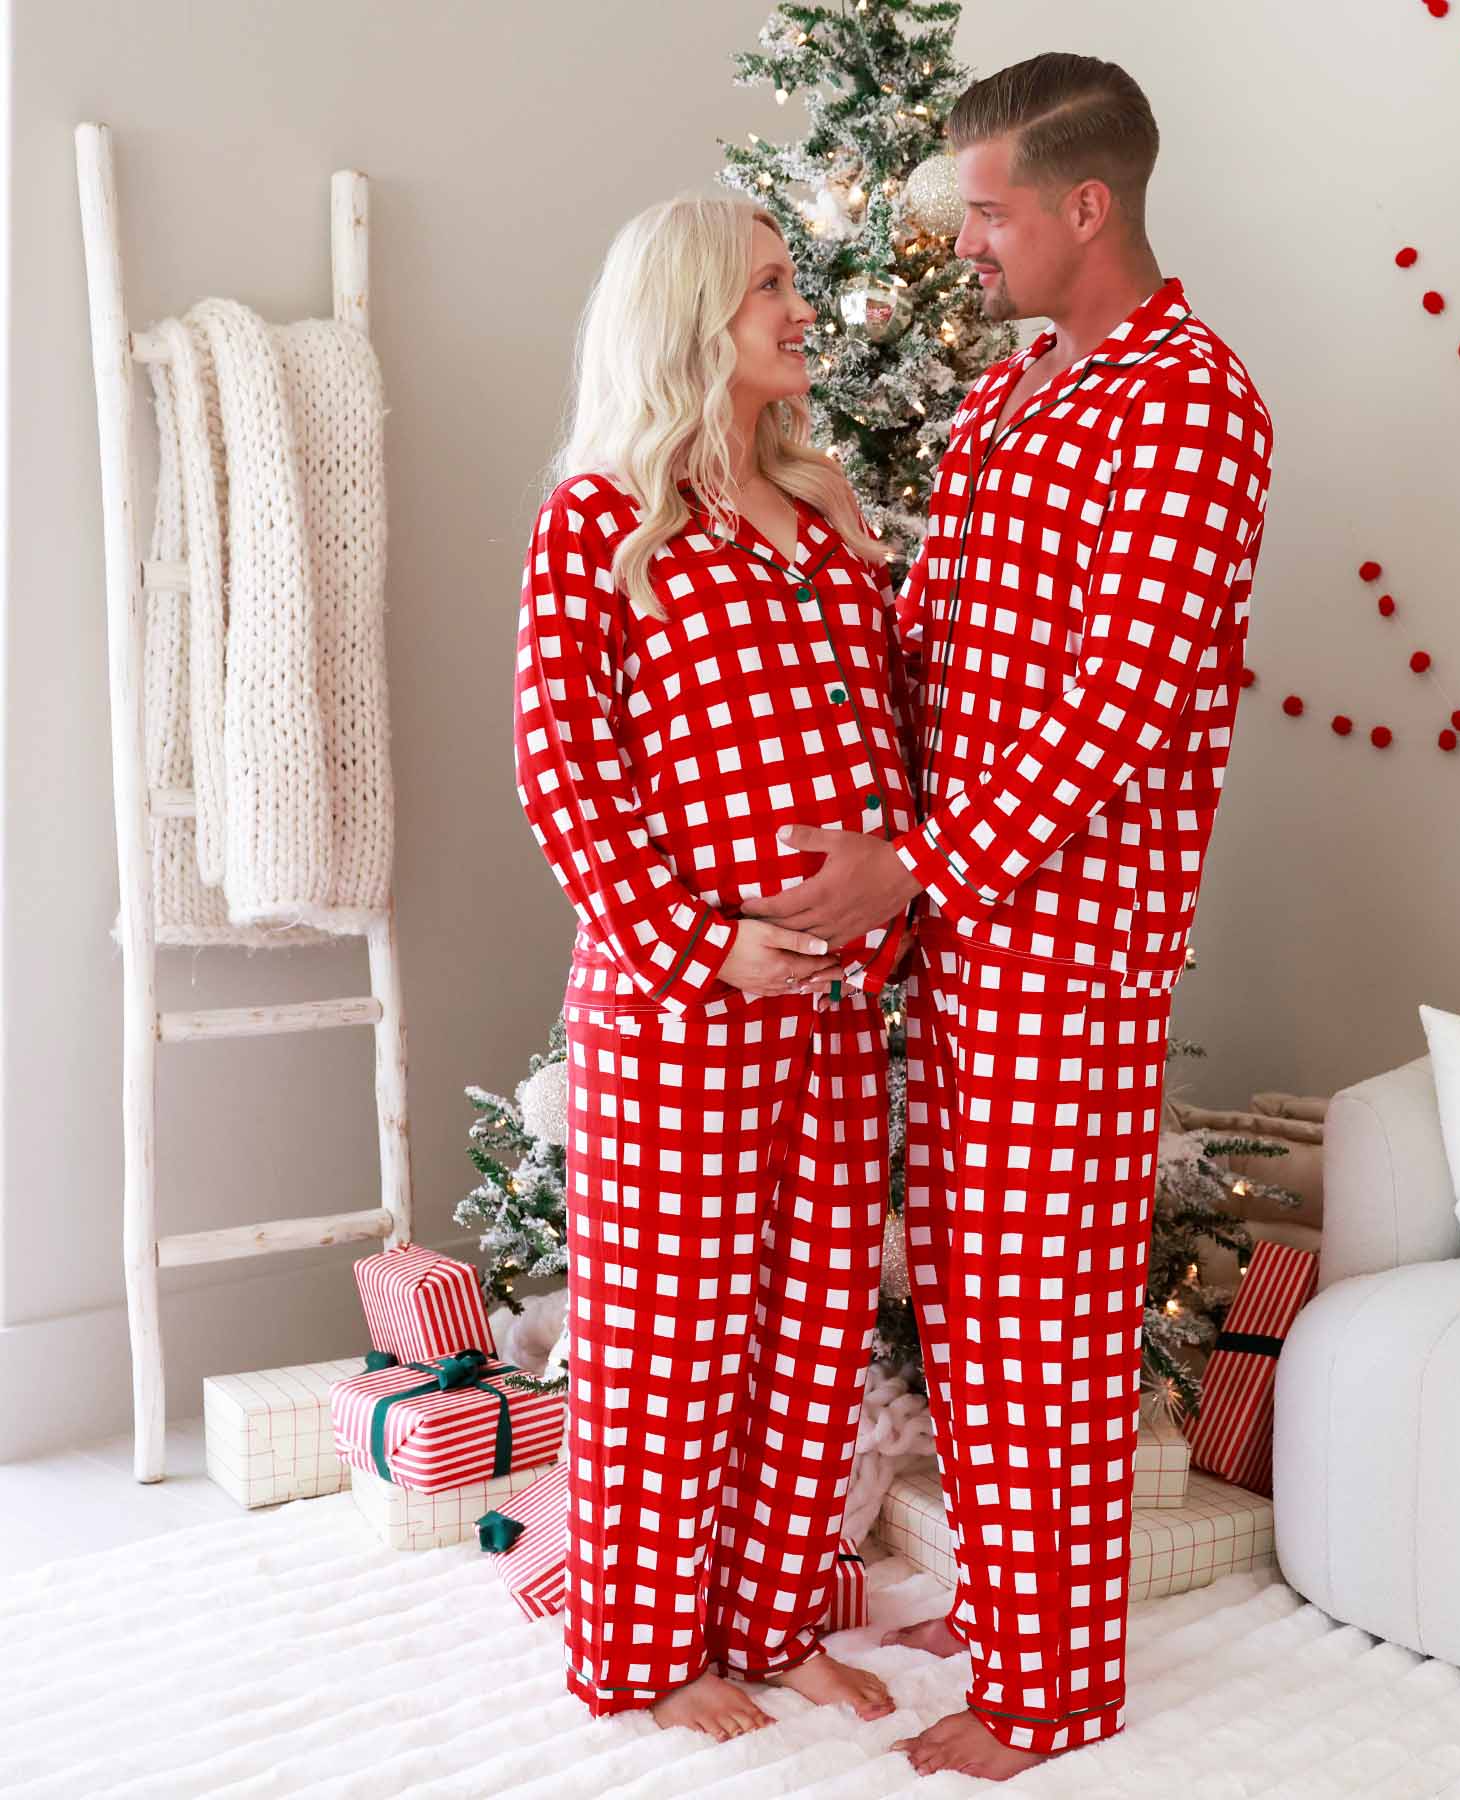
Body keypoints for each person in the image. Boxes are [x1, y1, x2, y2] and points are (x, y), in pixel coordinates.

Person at [740, 53, 1275, 1779]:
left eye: (986, 211)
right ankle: (1019, 1621)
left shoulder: (1191, 403)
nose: (961, 243)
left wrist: (912, 865)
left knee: (1043, 1318)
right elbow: (933, 660)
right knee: (977, 1309)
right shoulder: (1008, 393)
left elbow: (1120, 707)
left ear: (1083, 205)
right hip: (965, 935)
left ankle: (1053, 1698)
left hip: (1075, 946)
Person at [511, 194, 916, 1743]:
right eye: (766, 286)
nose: (799, 308)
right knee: (669, 1348)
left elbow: (886, 747)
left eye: (791, 280)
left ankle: (778, 1619)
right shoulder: (601, 521)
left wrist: (869, 926)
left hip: (831, 1004)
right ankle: (647, 1652)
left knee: (813, 1336)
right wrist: (702, 948)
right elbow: (567, 779)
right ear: (688, 315)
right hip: (678, 1012)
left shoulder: (825, 512)